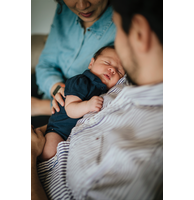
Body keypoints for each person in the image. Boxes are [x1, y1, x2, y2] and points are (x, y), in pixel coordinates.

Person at [31, 0, 163, 199]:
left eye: (117, 29)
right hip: (55, 119)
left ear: (139, 32)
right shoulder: (130, 80)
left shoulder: (141, 160)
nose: (82, 5)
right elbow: (46, 66)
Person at [31, 0, 116, 128]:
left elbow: (102, 100)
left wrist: (41, 106)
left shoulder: (123, 24)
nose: (82, 6)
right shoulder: (64, 10)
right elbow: (45, 64)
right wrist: (57, 88)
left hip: (70, 112)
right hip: (48, 87)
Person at [39, 46, 125, 161]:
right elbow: (70, 109)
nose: (112, 69)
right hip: (59, 130)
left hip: (75, 134)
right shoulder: (81, 82)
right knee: (48, 152)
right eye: (107, 62)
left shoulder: (106, 91)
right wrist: (88, 105)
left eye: (119, 71)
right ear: (91, 63)